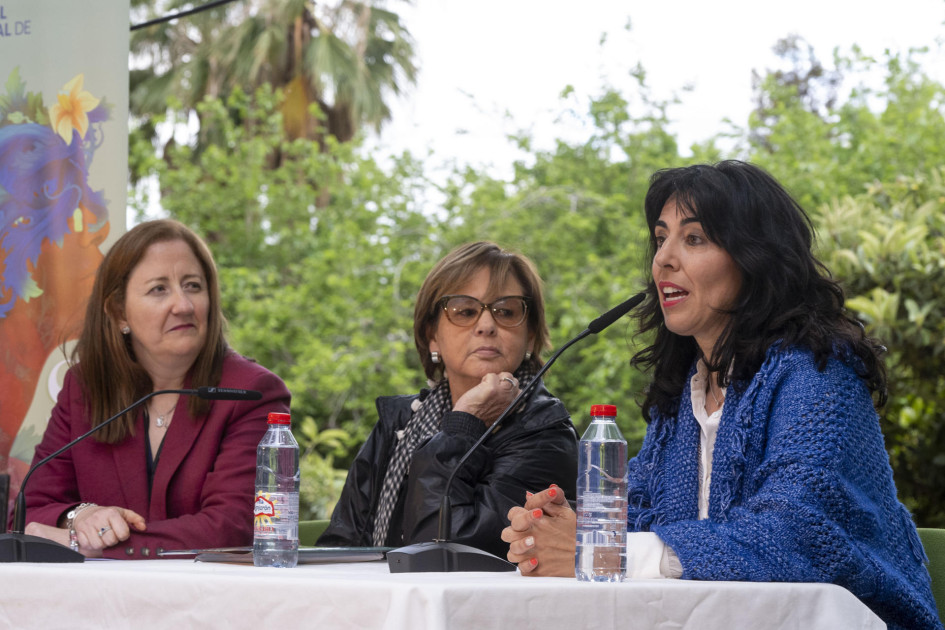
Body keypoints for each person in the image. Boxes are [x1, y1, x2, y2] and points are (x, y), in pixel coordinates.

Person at [502, 161, 942, 630]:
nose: (663, 259)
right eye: (660, 238)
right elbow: (644, 514)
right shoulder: (682, 395)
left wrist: (606, 550)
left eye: (693, 239)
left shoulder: (818, 372)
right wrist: (564, 526)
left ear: (755, 259)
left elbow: (795, 535)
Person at [15, 219, 291, 559]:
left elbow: (230, 527)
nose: (184, 305)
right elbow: (31, 512)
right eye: (159, 289)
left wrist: (83, 545)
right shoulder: (84, 388)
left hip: (210, 601)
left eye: (193, 286)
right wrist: (79, 516)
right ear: (118, 313)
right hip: (96, 604)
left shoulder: (250, 392)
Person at [318, 241, 578, 557]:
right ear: (432, 336)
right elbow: (340, 547)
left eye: (506, 311)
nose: (486, 326)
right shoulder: (401, 420)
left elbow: (440, 550)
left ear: (531, 336)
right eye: (465, 311)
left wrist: (464, 423)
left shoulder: (545, 431)